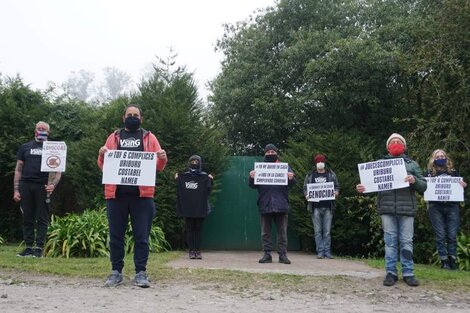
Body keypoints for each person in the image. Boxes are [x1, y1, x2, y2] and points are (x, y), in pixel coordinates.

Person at [97, 105, 167, 288]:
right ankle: (116, 272)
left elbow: (159, 166)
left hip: (142, 197)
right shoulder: (113, 137)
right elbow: (103, 165)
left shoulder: (150, 137)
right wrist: (101, 154)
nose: (133, 117)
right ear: (123, 118)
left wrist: (163, 157)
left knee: (142, 236)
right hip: (116, 196)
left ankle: (140, 273)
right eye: (130, 115)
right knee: (116, 236)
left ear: (141, 119)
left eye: (136, 115)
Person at [356, 133, 427, 287]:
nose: (396, 143)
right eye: (393, 142)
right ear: (388, 146)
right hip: (387, 209)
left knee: (407, 242)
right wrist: (363, 188)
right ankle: (391, 272)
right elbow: (371, 186)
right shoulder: (379, 164)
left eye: (399, 141)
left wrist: (414, 180)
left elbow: (424, 186)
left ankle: (408, 273)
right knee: (390, 243)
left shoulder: (412, 164)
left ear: (404, 146)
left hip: (407, 209)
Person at [13, 121, 61, 258]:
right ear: (35, 131)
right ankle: (28, 248)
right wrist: (16, 189)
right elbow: (18, 170)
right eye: (39, 128)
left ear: (48, 132)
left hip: (43, 186)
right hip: (25, 185)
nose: (41, 130)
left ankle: (39, 248)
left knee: (42, 218)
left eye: (44, 129)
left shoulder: (54, 148)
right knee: (27, 217)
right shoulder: (25, 147)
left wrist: (53, 185)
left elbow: (58, 171)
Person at [249, 144, 296, 264]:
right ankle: (267, 255)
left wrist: (291, 178)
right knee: (265, 232)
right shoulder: (259, 168)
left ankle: (283, 255)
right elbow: (252, 186)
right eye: (268, 151)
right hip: (265, 204)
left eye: (272, 151)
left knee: (282, 232)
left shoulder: (284, 167)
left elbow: (292, 184)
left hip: (281, 204)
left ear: (276, 153)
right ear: (264, 153)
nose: (270, 153)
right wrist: (251, 177)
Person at [425, 149, 467, 270]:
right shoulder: (428, 174)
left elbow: (460, 188)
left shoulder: (453, 172)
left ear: (446, 158)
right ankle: (444, 261)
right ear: (433, 158)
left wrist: (463, 186)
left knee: (452, 235)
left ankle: (453, 260)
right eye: (437, 156)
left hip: (452, 206)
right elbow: (422, 186)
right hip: (435, 207)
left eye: (442, 156)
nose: (440, 158)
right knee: (440, 235)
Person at [175, 155, 213, 260]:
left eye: (197, 161)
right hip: (188, 208)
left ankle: (198, 251)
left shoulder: (204, 176)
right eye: (192, 161)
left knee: (199, 229)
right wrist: (178, 180)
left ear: (200, 162)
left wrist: (210, 181)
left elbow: (208, 191)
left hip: (201, 207)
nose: (194, 163)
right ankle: (191, 251)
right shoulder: (185, 175)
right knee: (190, 229)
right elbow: (179, 190)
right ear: (189, 162)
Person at [303, 154, 340, 259]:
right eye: (318, 162)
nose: (320, 163)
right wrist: (306, 195)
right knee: (318, 231)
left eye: (321, 161)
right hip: (315, 207)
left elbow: (337, 186)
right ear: (315, 163)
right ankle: (320, 252)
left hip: (328, 207)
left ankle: (327, 252)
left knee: (327, 231)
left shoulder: (331, 174)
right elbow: (305, 187)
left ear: (325, 162)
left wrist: (336, 192)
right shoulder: (310, 175)